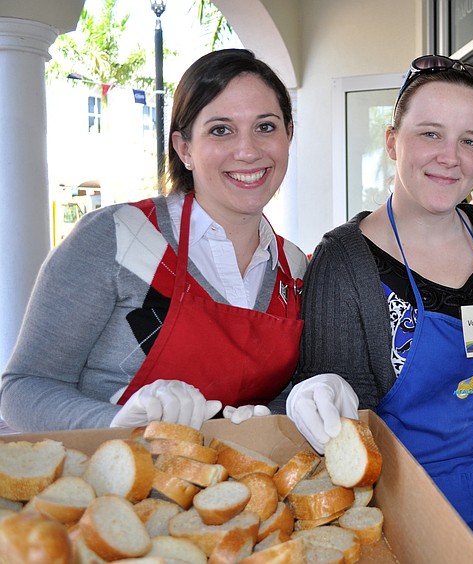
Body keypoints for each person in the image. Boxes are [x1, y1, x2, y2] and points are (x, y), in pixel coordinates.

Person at [286, 55, 473, 563]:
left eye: (469, 140)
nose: (451, 157)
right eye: (430, 134)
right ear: (391, 142)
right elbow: (338, 426)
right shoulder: (346, 262)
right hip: (408, 514)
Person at [0, 49, 305, 432]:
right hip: (112, 485)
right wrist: (120, 425)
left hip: (236, 488)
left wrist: (299, 401)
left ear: (288, 135)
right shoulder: (117, 237)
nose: (247, 151)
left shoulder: (293, 267)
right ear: (184, 149)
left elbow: (272, 395)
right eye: (220, 130)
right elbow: (23, 388)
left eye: (265, 127)